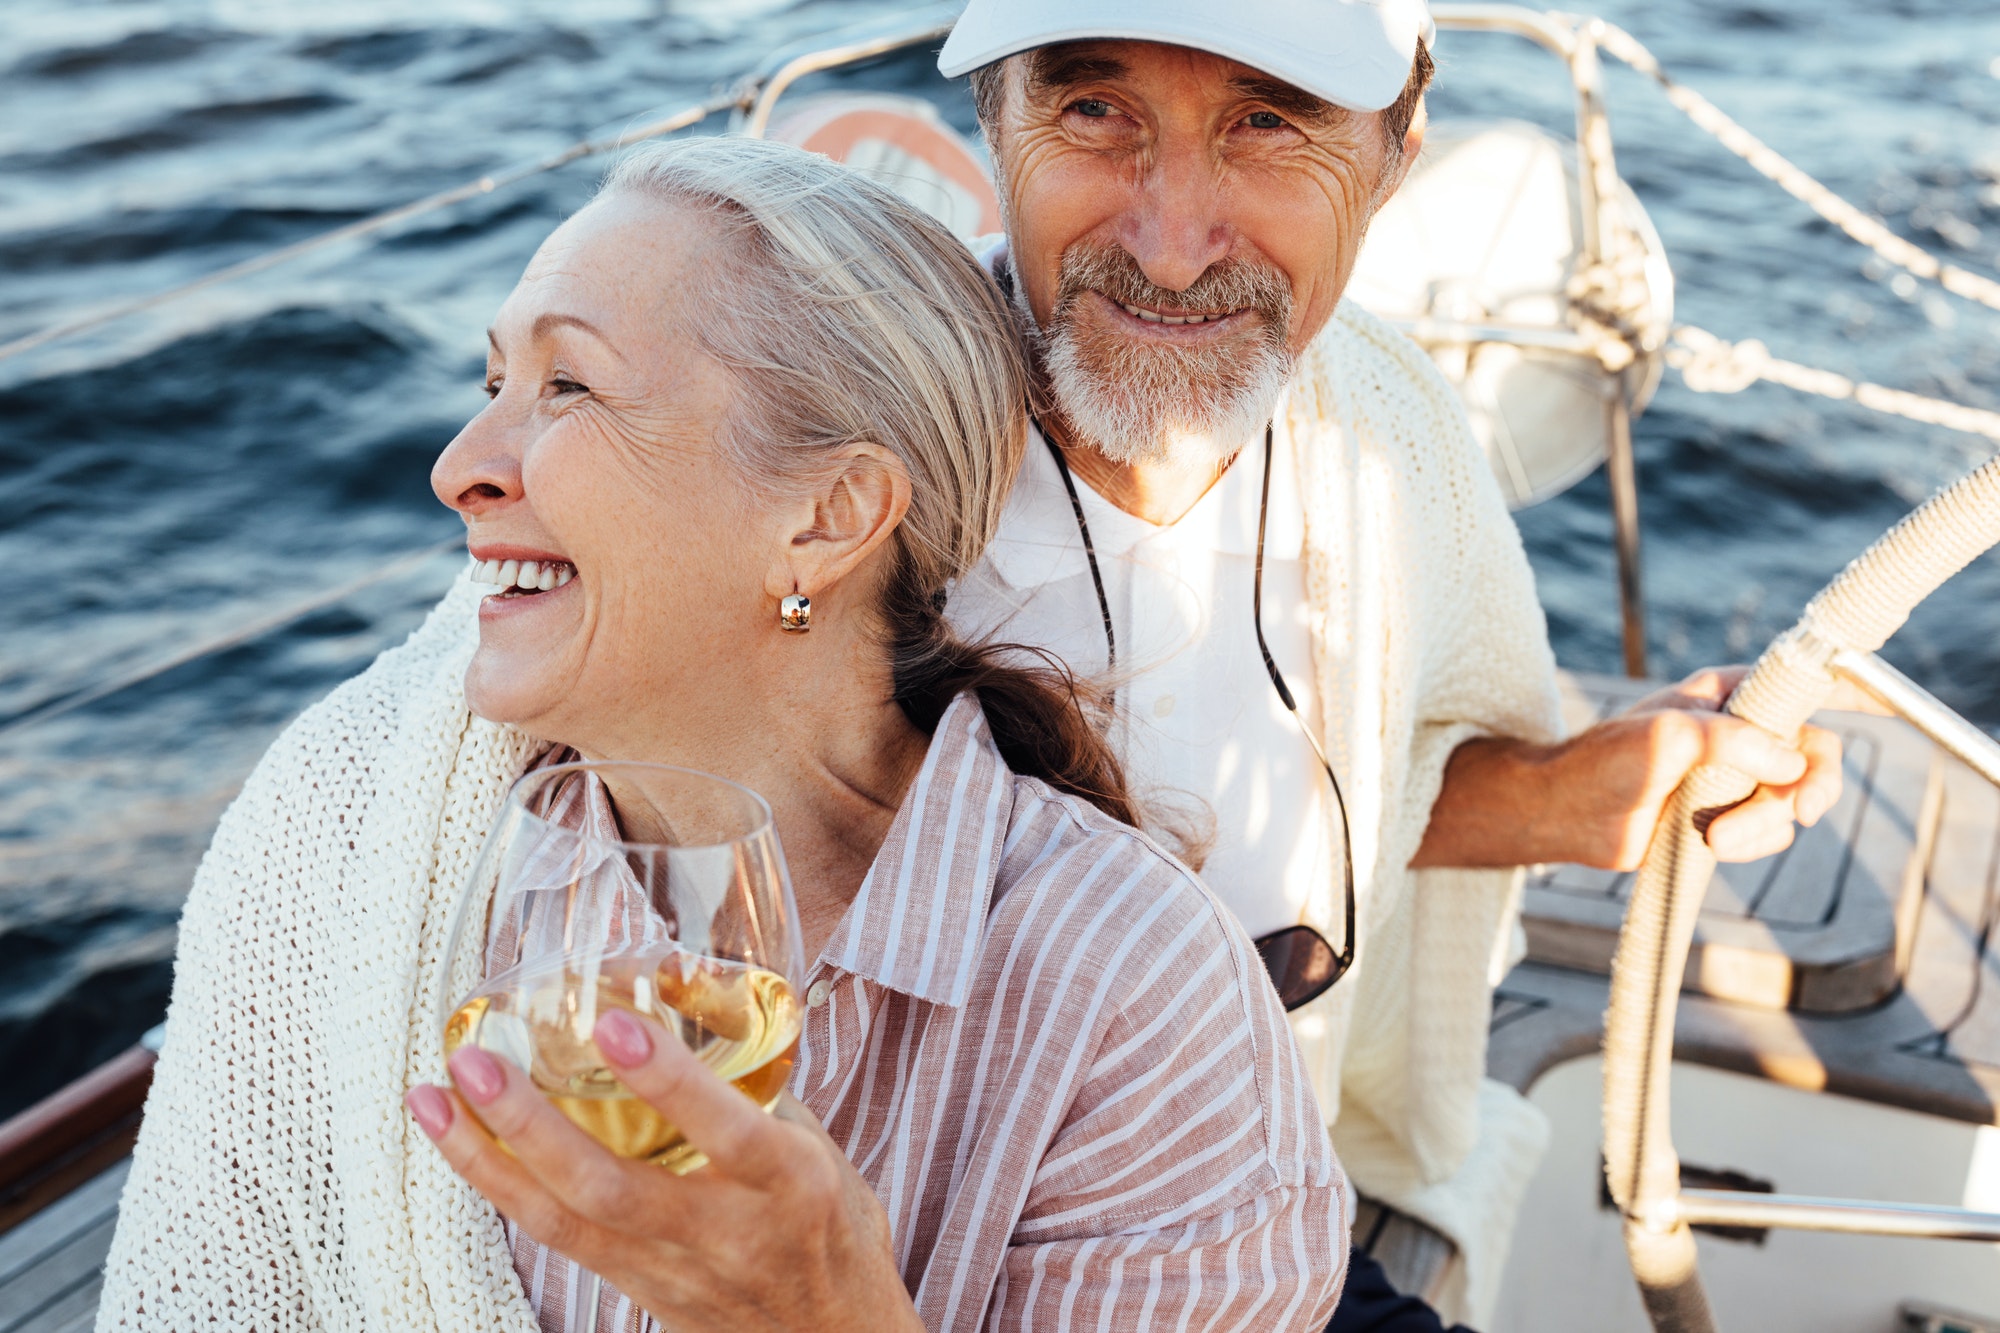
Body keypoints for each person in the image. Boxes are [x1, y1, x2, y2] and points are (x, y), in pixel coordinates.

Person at [96, 137, 1348, 1332]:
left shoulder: (1137, 1003)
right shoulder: (357, 847)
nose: (460, 465)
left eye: (566, 385)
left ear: (827, 515)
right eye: (493, 386)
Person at [931, 1, 1845, 1326]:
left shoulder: (1390, 427)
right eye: (1093, 111)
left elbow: (1360, 795)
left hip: (1262, 1217)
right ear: (994, 121)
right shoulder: (844, 432)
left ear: (1396, 155)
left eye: (1270, 122)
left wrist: (1576, 797)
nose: (1174, 247)